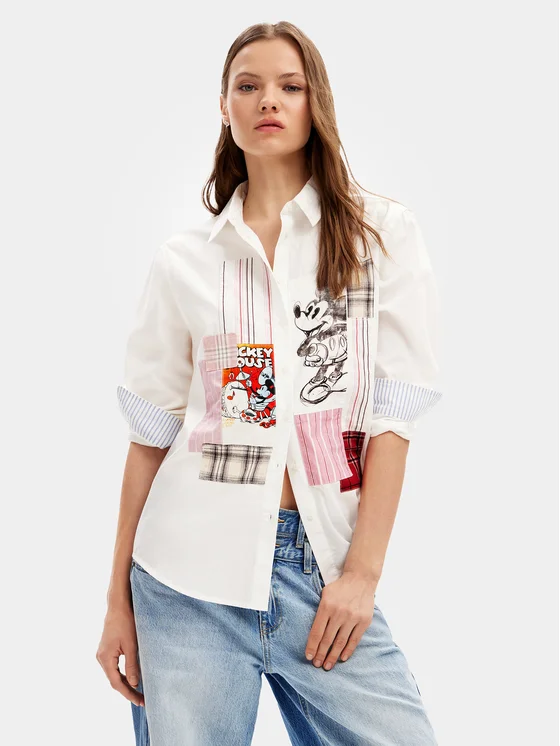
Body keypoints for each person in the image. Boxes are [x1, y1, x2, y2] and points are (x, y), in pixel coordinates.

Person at [96, 20, 443, 746]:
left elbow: (391, 418)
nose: (268, 101)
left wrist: (361, 576)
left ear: (317, 102)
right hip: (186, 580)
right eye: (248, 86)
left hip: (323, 569)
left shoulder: (378, 237)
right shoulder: (186, 261)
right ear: (224, 108)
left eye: (290, 86)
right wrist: (117, 603)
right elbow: (151, 438)